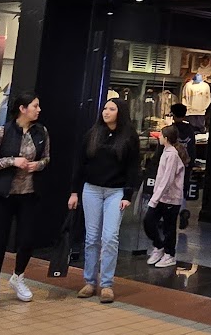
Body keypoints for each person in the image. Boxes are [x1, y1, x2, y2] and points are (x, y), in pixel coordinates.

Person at [0, 92, 50, 310]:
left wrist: (37, 165)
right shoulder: (3, 132)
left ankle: (18, 277)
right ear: (22, 109)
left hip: (28, 194)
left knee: (27, 239)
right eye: (35, 106)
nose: (39, 110)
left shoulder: (41, 132)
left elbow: (46, 158)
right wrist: (12, 161)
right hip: (2, 195)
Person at [68, 98, 140, 303]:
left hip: (115, 192)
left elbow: (133, 167)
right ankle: (90, 282)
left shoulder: (129, 137)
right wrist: (74, 192)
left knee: (110, 237)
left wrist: (128, 195)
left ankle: (107, 284)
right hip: (91, 189)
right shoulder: (93, 134)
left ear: (120, 112)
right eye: (105, 108)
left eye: (111, 109)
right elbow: (80, 164)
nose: (106, 112)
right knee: (91, 238)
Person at [143, 125, 188, 267]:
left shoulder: (172, 155)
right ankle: (159, 246)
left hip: (171, 199)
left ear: (166, 138)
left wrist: (154, 198)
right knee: (148, 221)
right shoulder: (166, 152)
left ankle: (169, 254)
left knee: (169, 227)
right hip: (161, 197)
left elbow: (167, 179)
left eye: (161, 135)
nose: (159, 138)